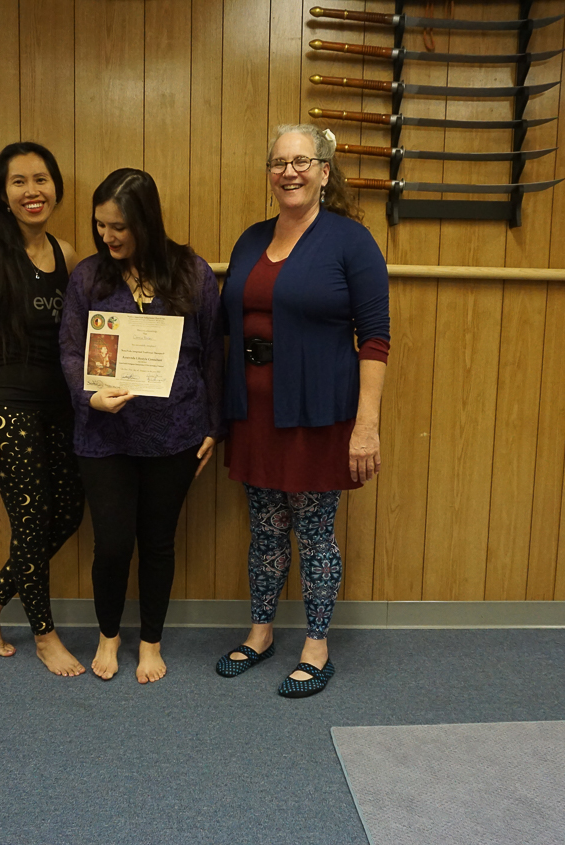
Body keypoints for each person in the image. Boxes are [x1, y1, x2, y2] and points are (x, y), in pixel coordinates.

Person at [215, 124, 389, 698]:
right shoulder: (250, 239)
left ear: (324, 171)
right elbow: (224, 322)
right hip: (255, 413)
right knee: (265, 530)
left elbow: (375, 338)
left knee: (314, 534)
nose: (288, 172)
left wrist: (366, 426)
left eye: (301, 161)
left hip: (318, 414)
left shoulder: (350, 241)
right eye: (278, 162)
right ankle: (261, 633)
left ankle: (317, 646)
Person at [59, 168, 224, 684]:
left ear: (146, 222)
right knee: (111, 544)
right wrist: (89, 395)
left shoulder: (193, 273)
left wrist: (215, 427)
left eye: (119, 227)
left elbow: (213, 354)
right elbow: (69, 350)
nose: (107, 236)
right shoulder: (89, 276)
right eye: (100, 225)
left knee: (157, 541)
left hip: (175, 432)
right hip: (103, 435)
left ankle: (151, 641)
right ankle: (108, 635)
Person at [0, 142, 87, 676]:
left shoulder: (66, 253)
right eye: (19, 182)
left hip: (60, 405)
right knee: (32, 523)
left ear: (55, 187)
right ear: (2, 195)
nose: (33, 191)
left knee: (67, 513)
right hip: (6, 404)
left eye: (41, 179)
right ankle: (45, 637)